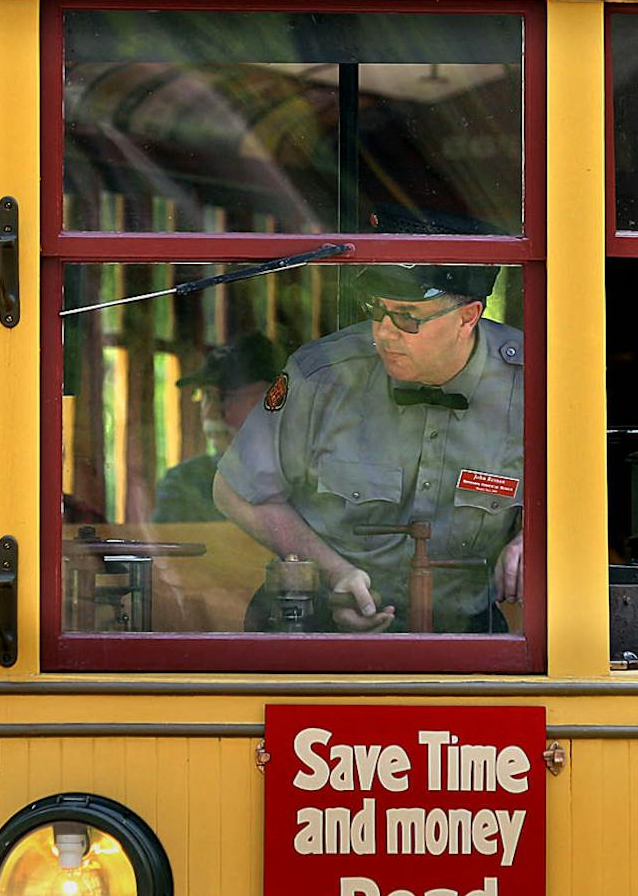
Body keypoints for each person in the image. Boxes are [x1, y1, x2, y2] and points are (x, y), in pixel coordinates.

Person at [212, 263, 523, 634]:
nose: (384, 334)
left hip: (463, 633)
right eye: (377, 310)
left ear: (467, 317)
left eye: (408, 317)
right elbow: (236, 492)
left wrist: (531, 539)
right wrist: (336, 574)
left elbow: (575, 497)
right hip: (319, 624)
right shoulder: (323, 375)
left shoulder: (535, 382)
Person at [153, 331, 284, 523]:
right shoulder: (186, 484)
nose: (212, 412)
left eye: (229, 397)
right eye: (206, 396)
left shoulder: (315, 481)